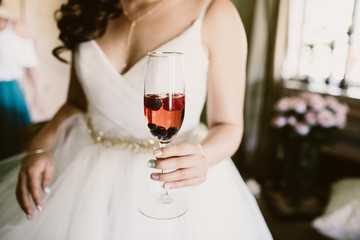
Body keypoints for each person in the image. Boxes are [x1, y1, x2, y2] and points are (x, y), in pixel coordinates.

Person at [0, 0, 273, 239]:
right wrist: (40, 145)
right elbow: (75, 103)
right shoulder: (89, 8)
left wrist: (204, 157)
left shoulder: (215, 11)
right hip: (82, 173)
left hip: (174, 174)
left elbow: (229, 125)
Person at [0, 0, 39, 160]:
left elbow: (30, 61)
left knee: (12, 143)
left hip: (7, 92)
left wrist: (37, 93)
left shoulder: (15, 27)